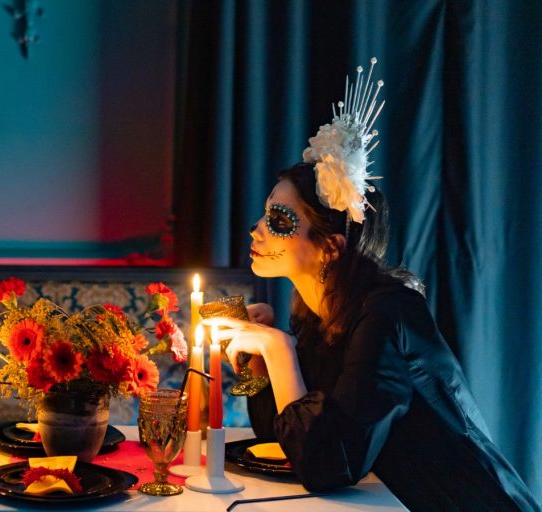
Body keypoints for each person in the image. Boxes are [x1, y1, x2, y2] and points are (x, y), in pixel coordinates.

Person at [205, 61, 539, 511]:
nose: (256, 230)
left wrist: (281, 350)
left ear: (331, 247)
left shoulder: (388, 313)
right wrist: (265, 361)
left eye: (279, 220)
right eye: (265, 215)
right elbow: (280, 440)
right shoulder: (317, 310)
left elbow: (325, 467)